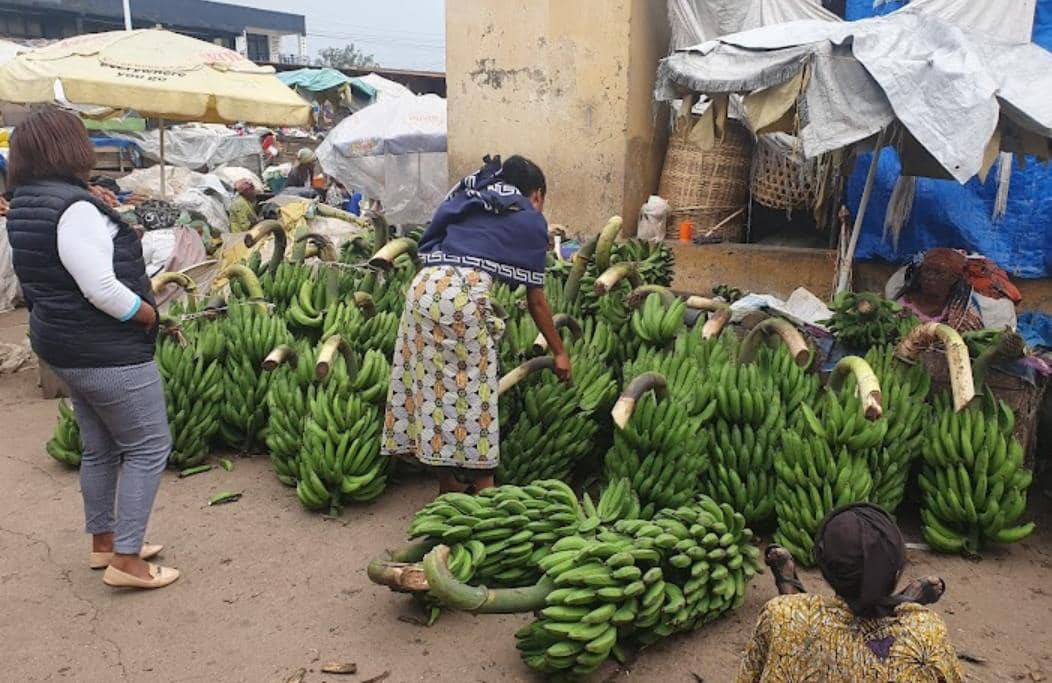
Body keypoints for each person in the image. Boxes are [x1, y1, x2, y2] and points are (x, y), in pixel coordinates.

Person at [5, 107, 178, 590]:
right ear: (70, 148)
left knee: (100, 448)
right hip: (106, 351)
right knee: (148, 447)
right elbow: (101, 289)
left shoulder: (26, 201)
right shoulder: (73, 208)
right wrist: (150, 315)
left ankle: (105, 542)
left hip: (63, 347)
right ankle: (127, 562)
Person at [381, 154, 571, 495]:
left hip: (422, 289)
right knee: (475, 393)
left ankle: (447, 483)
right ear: (537, 194)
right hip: (460, 298)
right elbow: (536, 302)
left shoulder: (474, 196)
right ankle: (484, 486)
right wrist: (559, 352)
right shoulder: (527, 218)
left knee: (432, 388)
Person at [737, 504, 963, 682]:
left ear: (826, 569)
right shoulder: (927, 632)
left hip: (796, 623)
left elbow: (750, 676)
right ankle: (902, 600)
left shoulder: (779, 615)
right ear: (896, 571)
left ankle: (789, 587)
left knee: (791, 618)